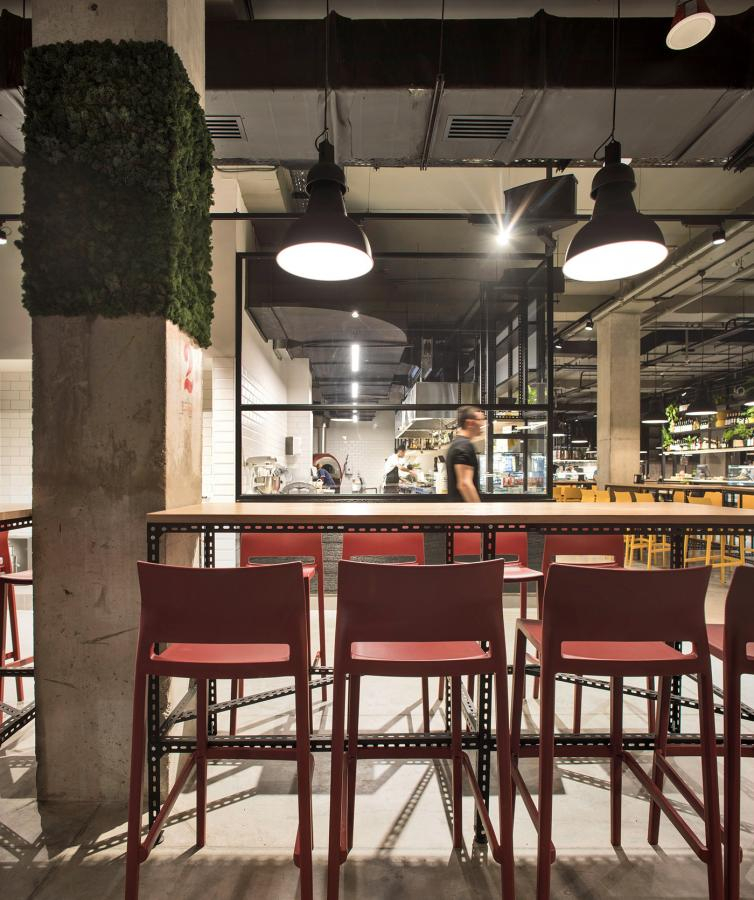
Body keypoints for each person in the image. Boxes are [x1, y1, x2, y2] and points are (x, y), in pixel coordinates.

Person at [446, 405, 485, 502]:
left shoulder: (457, 443)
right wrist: (478, 509)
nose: (483, 424)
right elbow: (464, 484)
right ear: (470, 423)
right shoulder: (464, 446)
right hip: (464, 510)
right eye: (480, 420)